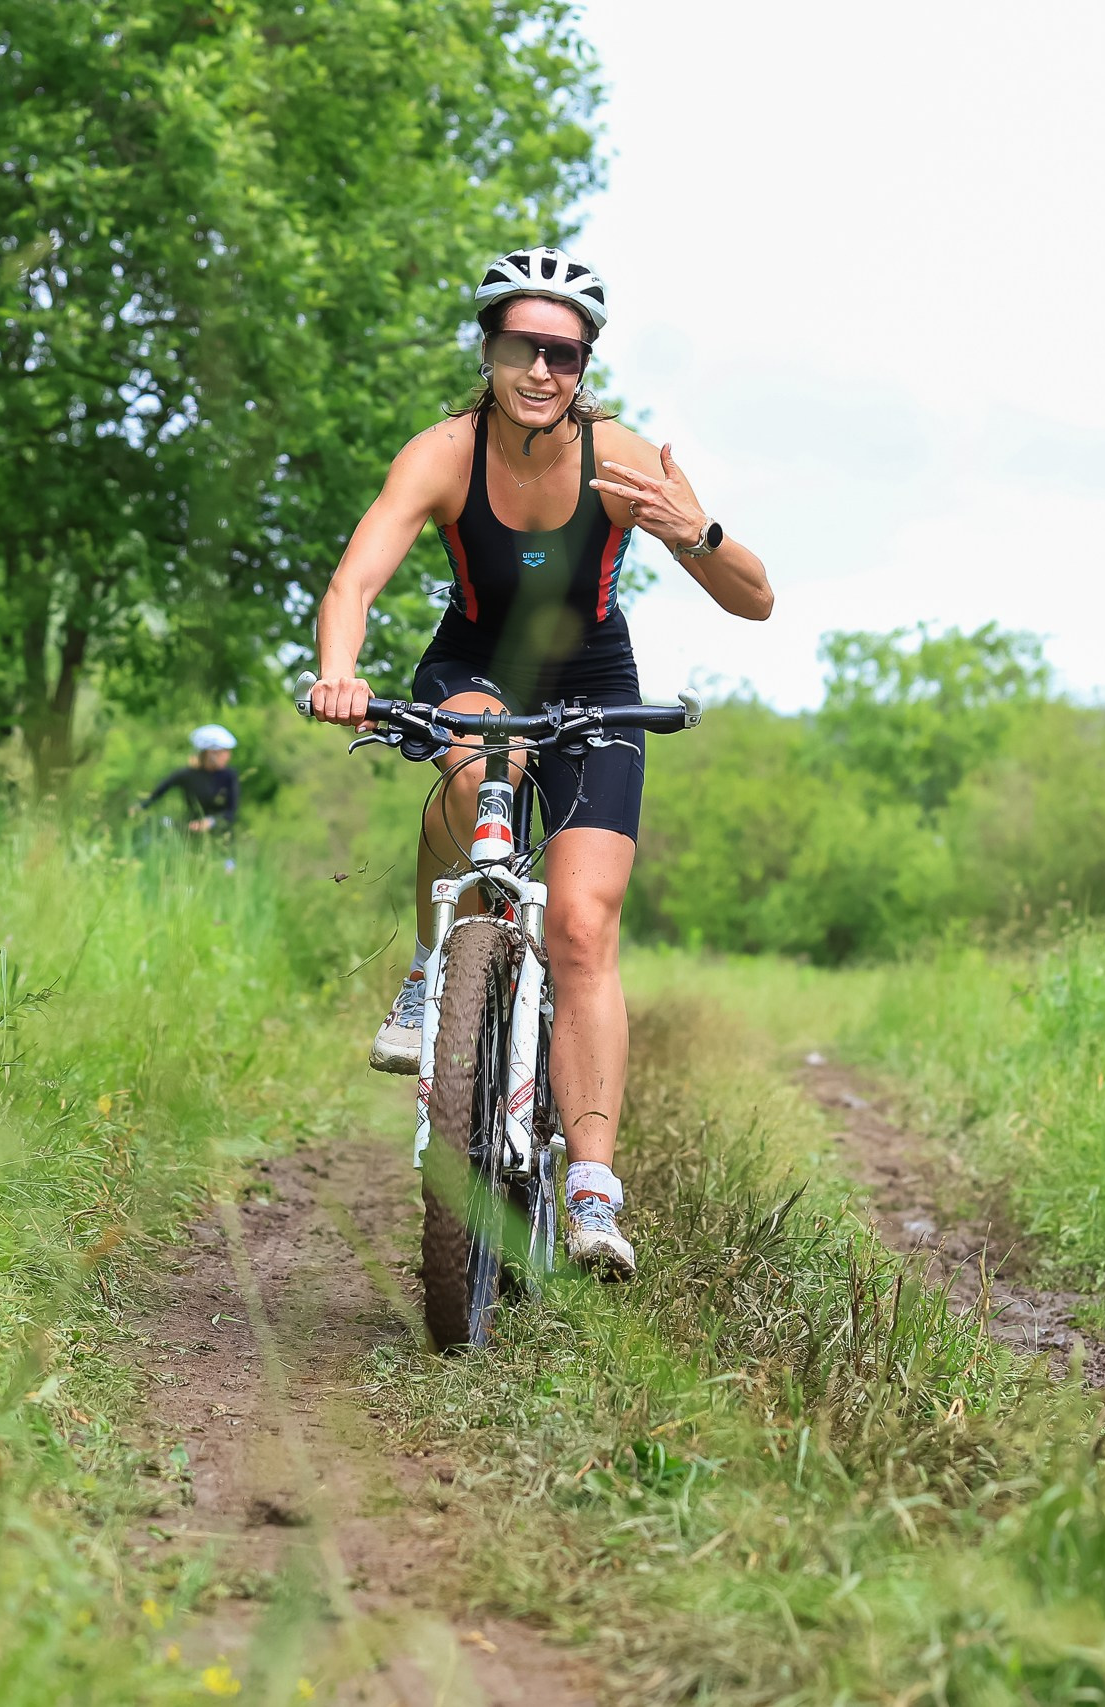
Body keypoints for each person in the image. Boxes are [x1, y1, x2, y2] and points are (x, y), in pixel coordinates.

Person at [306, 247, 773, 1280]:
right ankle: (435, 968)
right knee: (477, 763)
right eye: (523, 346)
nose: (542, 371)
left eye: (564, 354)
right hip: (473, 668)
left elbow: (755, 598)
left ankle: (593, 1186)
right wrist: (338, 670)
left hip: (595, 684)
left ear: (584, 364)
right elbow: (355, 580)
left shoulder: (621, 461)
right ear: (489, 350)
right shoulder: (441, 454)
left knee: (580, 923)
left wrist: (694, 531)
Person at [133, 724, 244, 833]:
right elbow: (156, 795)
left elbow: (231, 811)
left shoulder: (229, 775)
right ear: (210, 753)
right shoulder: (187, 775)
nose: (228, 756)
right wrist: (138, 808)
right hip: (189, 830)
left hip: (220, 835)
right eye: (224, 752)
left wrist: (210, 822)